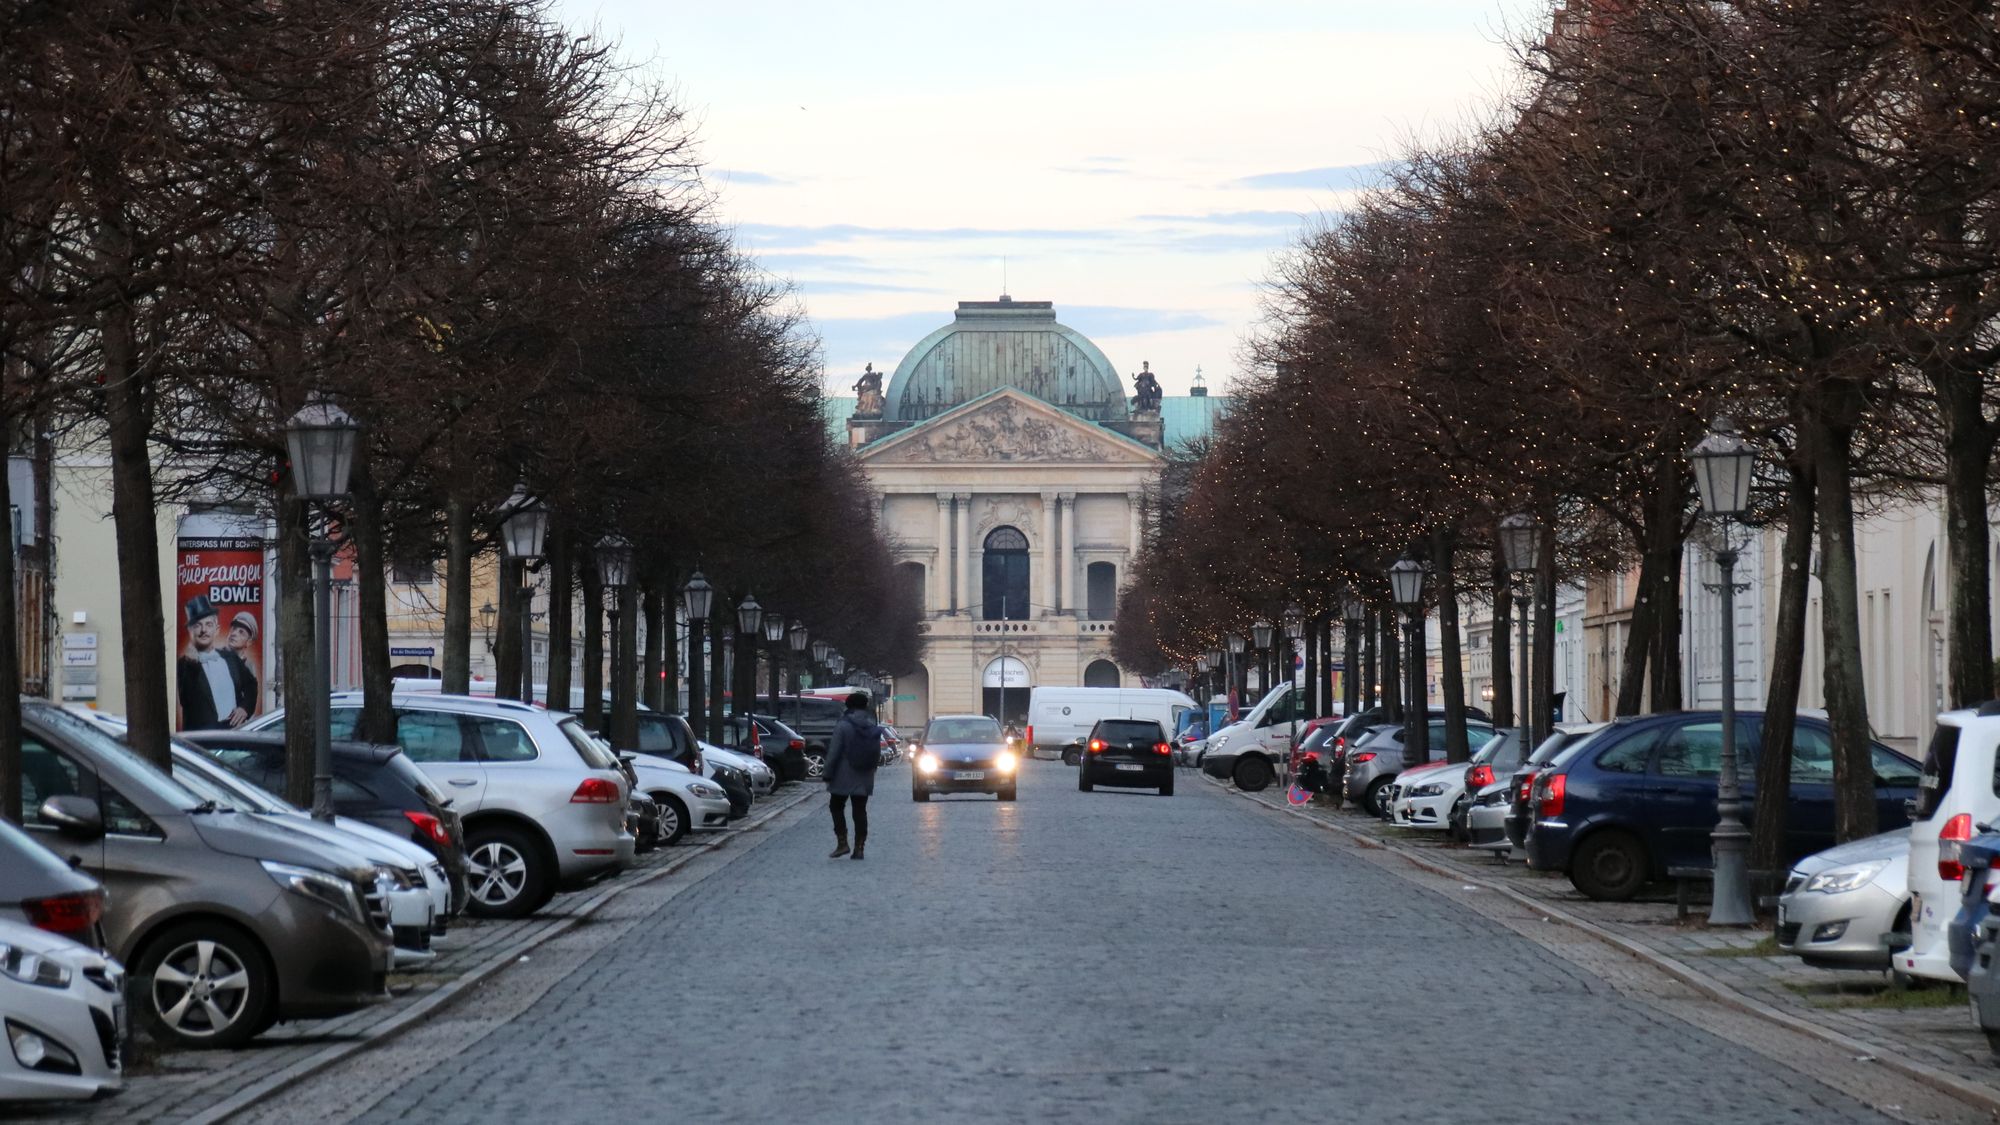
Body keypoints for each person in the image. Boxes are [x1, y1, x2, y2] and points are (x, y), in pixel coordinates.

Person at [176, 596, 256, 730]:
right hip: (204, 738)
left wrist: (245, 708)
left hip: (234, 733)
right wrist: (192, 665)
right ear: (190, 631)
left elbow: (251, 685)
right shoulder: (184, 664)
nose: (203, 630)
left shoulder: (231, 658)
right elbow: (186, 700)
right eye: (198, 625)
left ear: (217, 629)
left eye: (208, 624)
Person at [824, 691, 882, 860]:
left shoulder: (843, 725)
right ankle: (859, 848)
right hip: (865, 773)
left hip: (843, 773)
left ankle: (842, 843)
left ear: (848, 706)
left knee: (836, 806)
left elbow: (834, 752)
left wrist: (827, 773)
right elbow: (877, 752)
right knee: (860, 810)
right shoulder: (871, 725)